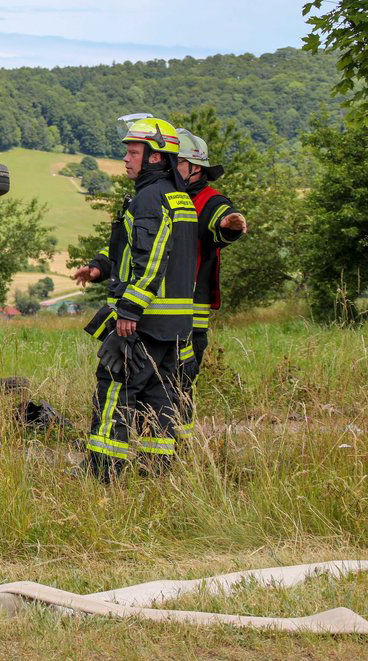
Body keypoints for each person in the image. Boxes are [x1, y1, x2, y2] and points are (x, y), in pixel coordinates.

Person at [70, 115, 197, 481]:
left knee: (114, 391)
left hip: (142, 323)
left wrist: (129, 309)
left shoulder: (149, 198)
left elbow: (151, 258)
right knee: (160, 400)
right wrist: (99, 267)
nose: (126, 158)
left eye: (133, 152)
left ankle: (102, 473)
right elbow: (146, 254)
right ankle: (158, 474)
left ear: (156, 157)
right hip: (173, 327)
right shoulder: (178, 197)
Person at [173, 128, 247, 439]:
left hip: (190, 317)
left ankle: (179, 445)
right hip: (155, 312)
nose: (168, 167)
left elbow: (223, 219)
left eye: (175, 162)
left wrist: (230, 224)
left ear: (195, 168)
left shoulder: (210, 200)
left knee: (180, 382)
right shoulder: (164, 196)